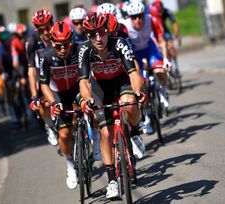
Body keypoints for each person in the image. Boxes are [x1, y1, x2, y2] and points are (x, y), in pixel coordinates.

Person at [79, 12, 145, 199]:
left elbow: (133, 73)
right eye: (92, 34)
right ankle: (112, 181)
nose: (98, 38)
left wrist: (138, 92)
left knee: (129, 105)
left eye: (101, 32)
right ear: (87, 36)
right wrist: (87, 99)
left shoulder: (120, 44)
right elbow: (83, 81)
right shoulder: (85, 50)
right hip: (100, 88)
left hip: (121, 81)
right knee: (106, 133)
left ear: (108, 31)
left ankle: (133, 132)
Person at [39, 21, 79, 190]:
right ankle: (70, 165)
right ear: (52, 43)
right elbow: (44, 84)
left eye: (66, 44)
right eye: (58, 46)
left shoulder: (81, 50)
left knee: (92, 114)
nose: (63, 49)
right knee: (64, 134)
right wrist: (54, 103)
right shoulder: (46, 57)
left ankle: (94, 137)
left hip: (78, 89)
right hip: (59, 94)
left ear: (72, 41)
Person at [124, 1, 171, 134]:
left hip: (149, 49)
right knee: (140, 84)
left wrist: (166, 58)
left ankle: (163, 91)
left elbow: (161, 41)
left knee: (160, 70)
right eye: (134, 17)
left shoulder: (152, 20)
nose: (138, 20)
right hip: (135, 54)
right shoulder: (126, 26)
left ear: (144, 14)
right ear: (129, 17)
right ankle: (147, 118)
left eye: (140, 16)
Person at [27, 9, 58, 146]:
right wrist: (34, 96)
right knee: (42, 104)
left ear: (53, 24)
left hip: (60, 72)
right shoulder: (32, 41)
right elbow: (31, 70)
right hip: (43, 76)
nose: (46, 33)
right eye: (41, 30)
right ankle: (50, 127)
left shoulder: (59, 34)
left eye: (48, 28)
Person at [150, 0, 181, 75]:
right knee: (159, 48)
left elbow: (174, 23)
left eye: (161, 10)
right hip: (155, 30)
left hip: (164, 30)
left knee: (170, 46)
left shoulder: (167, 11)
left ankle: (176, 66)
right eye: (158, 11)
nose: (160, 13)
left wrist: (176, 33)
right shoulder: (151, 14)